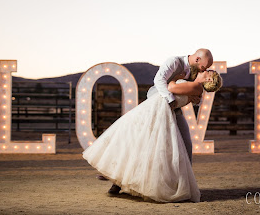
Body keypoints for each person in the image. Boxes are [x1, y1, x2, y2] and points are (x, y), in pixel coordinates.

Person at [82, 69, 223, 203]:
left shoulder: (196, 88)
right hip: (154, 109)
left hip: (157, 111)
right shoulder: (193, 85)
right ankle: (117, 178)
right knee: (132, 142)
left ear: (209, 78)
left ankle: (120, 180)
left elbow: (171, 88)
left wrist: (175, 78)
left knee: (139, 145)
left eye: (209, 72)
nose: (206, 70)